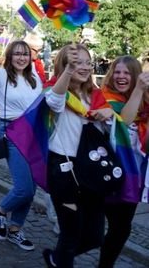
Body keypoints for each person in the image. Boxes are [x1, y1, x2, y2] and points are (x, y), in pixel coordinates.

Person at [42, 44, 113, 268]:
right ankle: (62, 259)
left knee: (95, 237)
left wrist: (110, 113)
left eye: (87, 62)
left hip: (91, 170)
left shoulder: (96, 94)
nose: (84, 67)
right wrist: (69, 71)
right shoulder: (55, 87)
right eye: (77, 62)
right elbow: (54, 101)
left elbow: (113, 126)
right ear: (64, 65)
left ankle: (57, 258)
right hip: (64, 169)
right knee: (70, 234)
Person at [0, 24, 42, 251]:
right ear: (9, 56)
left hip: (34, 133)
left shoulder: (34, 75)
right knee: (24, 188)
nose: (21, 57)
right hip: (12, 131)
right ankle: (0, 211)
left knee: (32, 187)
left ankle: (16, 229)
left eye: (25, 53)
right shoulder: (2, 76)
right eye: (16, 53)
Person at [98, 56, 149, 268]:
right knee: (99, 228)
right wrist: (138, 90)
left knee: (122, 227)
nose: (121, 76)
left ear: (135, 75)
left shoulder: (146, 104)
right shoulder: (105, 98)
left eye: (127, 72)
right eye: (117, 72)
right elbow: (125, 119)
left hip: (134, 174)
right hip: (107, 172)